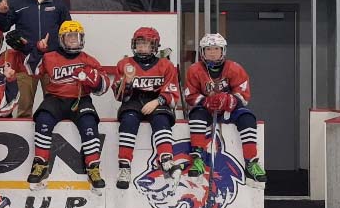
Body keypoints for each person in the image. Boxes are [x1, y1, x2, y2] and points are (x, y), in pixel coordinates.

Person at [24, 20, 109, 192]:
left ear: (82, 39)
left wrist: (96, 80)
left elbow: (104, 87)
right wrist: (38, 51)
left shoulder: (88, 60)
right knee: (43, 119)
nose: (73, 40)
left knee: (89, 124)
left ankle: (93, 167)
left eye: (76, 37)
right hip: (55, 98)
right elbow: (31, 71)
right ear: (61, 39)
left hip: (81, 99)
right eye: (69, 36)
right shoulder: (50, 57)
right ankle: (40, 164)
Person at [184, 33, 266, 186]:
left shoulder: (234, 68)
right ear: (202, 51)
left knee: (248, 118)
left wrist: (230, 100)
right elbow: (190, 95)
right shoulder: (194, 70)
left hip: (230, 109)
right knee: (196, 115)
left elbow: (244, 95)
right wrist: (205, 101)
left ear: (223, 50)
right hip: (206, 110)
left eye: (216, 49)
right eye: (208, 49)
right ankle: (198, 159)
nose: (212, 52)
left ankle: (251, 163)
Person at [0, 0, 71, 117]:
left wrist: (64, 57)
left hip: (52, 63)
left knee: (56, 107)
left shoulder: (58, 4)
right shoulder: (18, 3)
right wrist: (1, 13)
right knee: (24, 109)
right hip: (25, 62)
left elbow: (67, 33)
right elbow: (3, 27)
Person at [112, 27, 182, 190]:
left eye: (146, 44)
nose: (142, 47)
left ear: (154, 46)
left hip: (156, 101)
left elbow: (172, 91)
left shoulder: (166, 65)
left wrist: (157, 101)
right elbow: (119, 96)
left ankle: (166, 160)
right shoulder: (124, 64)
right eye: (139, 43)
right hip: (133, 101)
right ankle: (124, 167)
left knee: (162, 119)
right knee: (128, 121)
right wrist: (127, 84)